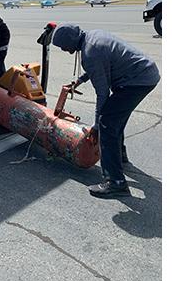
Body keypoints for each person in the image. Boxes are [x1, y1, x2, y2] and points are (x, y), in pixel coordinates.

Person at [51, 23, 160, 198]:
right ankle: (120, 157)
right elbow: (101, 64)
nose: (64, 49)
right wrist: (79, 80)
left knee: (107, 124)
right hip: (144, 74)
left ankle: (115, 183)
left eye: (63, 46)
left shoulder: (90, 52)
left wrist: (96, 126)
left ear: (70, 41)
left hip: (135, 81)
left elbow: (102, 94)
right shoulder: (92, 37)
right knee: (116, 116)